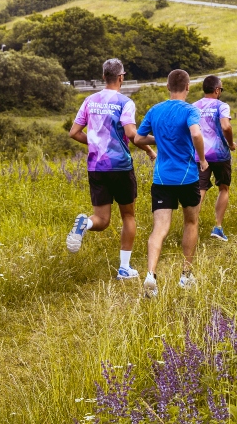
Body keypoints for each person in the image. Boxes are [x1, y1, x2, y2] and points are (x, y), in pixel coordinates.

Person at [66, 58, 155, 280]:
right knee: (128, 216)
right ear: (121, 77)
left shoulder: (89, 100)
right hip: (120, 167)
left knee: (101, 220)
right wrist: (155, 145)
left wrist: (96, 144)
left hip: (96, 167)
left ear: (104, 76)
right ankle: (124, 268)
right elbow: (133, 135)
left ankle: (84, 223)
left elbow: (74, 132)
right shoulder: (125, 102)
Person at [134, 69, 208, 298]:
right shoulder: (190, 110)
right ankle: (186, 275)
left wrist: (159, 139)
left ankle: (150, 275)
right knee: (191, 222)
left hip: (162, 178)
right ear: (187, 87)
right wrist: (203, 159)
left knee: (160, 229)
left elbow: (137, 139)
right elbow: (196, 134)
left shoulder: (155, 110)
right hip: (187, 178)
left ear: (168, 87)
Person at [193, 75, 234, 241]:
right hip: (220, 153)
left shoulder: (194, 106)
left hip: (199, 153)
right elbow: (226, 125)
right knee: (223, 188)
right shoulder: (221, 106)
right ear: (217, 90)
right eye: (221, 89)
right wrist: (231, 143)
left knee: (200, 189)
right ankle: (217, 227)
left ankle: (192, 226)